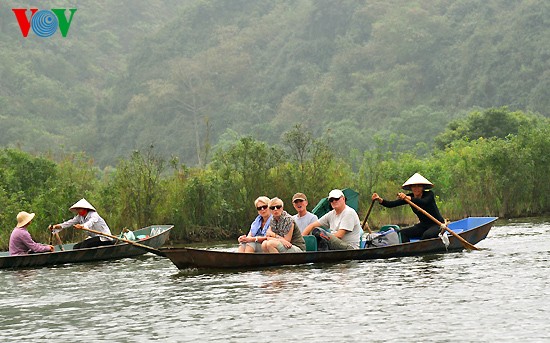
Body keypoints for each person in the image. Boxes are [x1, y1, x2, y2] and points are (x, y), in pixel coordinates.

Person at [372, 173, 444, 243]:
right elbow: (391, 204)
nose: (416, 189)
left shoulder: (429, 194)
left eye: (419, 186)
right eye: (414, 186)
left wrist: (409, 198)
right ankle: (407, 249)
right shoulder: (409, 197)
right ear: (411, 188)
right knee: (401, 233)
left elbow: (423, 202)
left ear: (423, 188)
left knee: (427, 235)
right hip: (423, 225)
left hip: (437, 224)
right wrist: (379, 199)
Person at [50, 198, 115, 249]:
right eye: (77, 209)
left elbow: (90, 222)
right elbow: (69, 223)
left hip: (104, 238)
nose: (78, 211)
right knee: (76, 247)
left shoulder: (94, 215)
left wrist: (82, 226)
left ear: (85, 209)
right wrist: (57, 226)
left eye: (79, 209)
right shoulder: (79, 217)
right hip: (95, 238)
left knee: (85, 244)